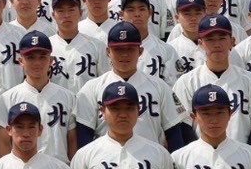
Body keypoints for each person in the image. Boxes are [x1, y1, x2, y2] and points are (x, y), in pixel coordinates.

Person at [74, 23, 188, 151]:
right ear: (108, 51)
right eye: (118, 49)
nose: (124, 54)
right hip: (106, 163)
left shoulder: (160, 87)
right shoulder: (91, 88)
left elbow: (174, 133)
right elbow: (84, 137)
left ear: (140, 51)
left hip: (150, 164)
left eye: (130, 49)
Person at [171, 15, 251, 146]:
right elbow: (183, 125)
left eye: (222, 38)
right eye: (210, 39)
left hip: (242, 158)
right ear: (200, 43)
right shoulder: (186, 82)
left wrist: (249, 155)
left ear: (232, 41)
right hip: (200, 159)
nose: (217, 44)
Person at [0, 31, 78, 159]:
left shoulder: (68, 97)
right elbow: (3, 144)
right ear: (20, 61)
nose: (37, 63)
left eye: (42, 57)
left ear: (51, 60)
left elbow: (72, 141)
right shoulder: (7, 98)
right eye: (30, 57)